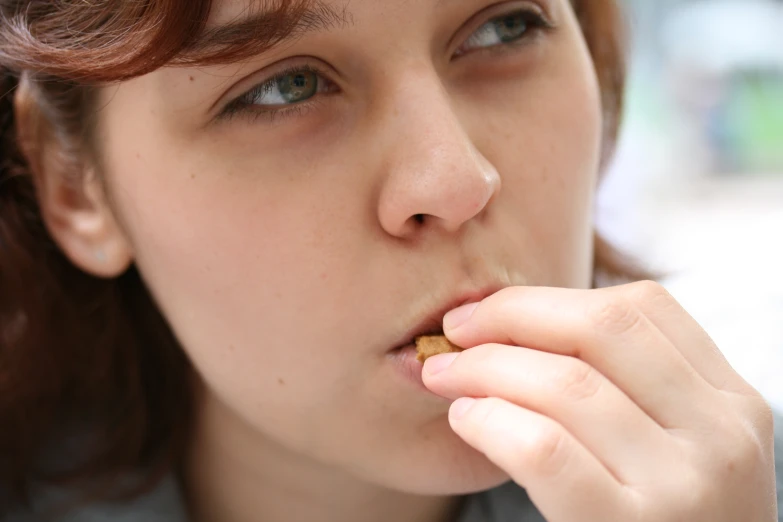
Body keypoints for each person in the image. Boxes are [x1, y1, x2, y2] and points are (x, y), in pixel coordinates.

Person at [0, 0, 781, 520]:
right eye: (286, 86)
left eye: (504, 27)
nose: (457, 181)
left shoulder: (738, 487)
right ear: (76, 186)